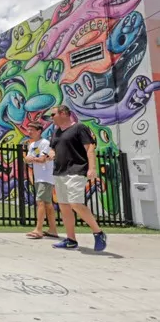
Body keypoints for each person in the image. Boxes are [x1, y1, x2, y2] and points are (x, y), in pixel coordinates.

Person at [47, 105, 107, 251]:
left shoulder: (79, 128)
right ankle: (71, 240)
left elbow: (90, 148)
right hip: (60, 172)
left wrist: (92, 168)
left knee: (75, 203)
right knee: (64, 206)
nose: (51, 117)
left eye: (53, 114)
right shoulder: (56, 132)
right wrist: (50, 153)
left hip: (76, 170)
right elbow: (52, 148)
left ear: (63, 113)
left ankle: (98, 233)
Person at [24, 122, 59, 240]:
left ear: (39, 131)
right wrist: (34, 159)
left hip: (46, 177)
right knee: (48, 204)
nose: (29, 132)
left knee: (40, 202)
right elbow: (27, 160)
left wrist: (32, 159)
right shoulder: (32, 144)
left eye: (31, 130)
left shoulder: (45, 143)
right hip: (38, 177)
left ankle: (38, 229)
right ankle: (53, 230)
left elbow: (43, 159)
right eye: (28, 130)